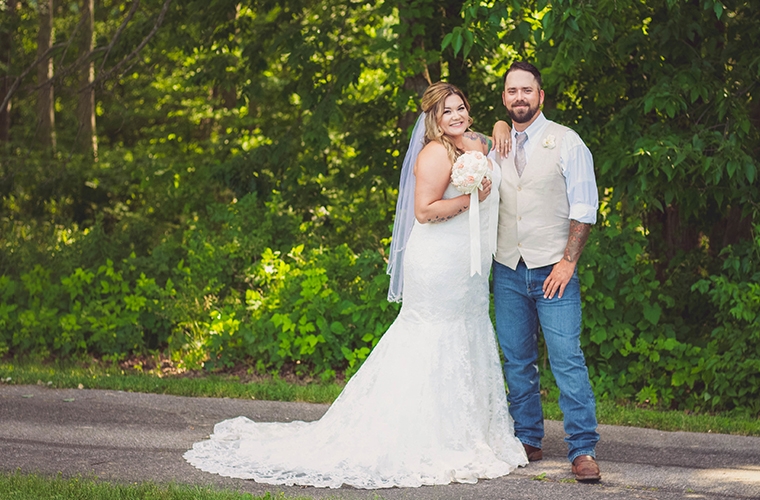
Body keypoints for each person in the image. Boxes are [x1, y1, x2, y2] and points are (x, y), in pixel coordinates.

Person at [184, 82, 528, 489]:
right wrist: (469, 199)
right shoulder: (436, 153)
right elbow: (423, 210)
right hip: (438, 264)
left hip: (468, 266)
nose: (456, 116)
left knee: (467, 331)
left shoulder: (476, 141)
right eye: (446, 112)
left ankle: (470, 431)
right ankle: (423, 435)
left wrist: (502, 123)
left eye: (460, 108)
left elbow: (495, 134)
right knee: (434, 337)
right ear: (433, 120)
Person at [490, 61, 602, 482]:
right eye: (511, 91)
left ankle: (582, 449)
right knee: (518, 360)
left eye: (527, 90)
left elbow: (584, 206)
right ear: (504, 98)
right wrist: (499, 127)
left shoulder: (568, 142)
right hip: (507, 269)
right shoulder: (494, 145)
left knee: (566, 359)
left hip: (553, 270)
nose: (519, 97)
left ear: (540, 96)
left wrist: (568, 261)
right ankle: (527, 439)